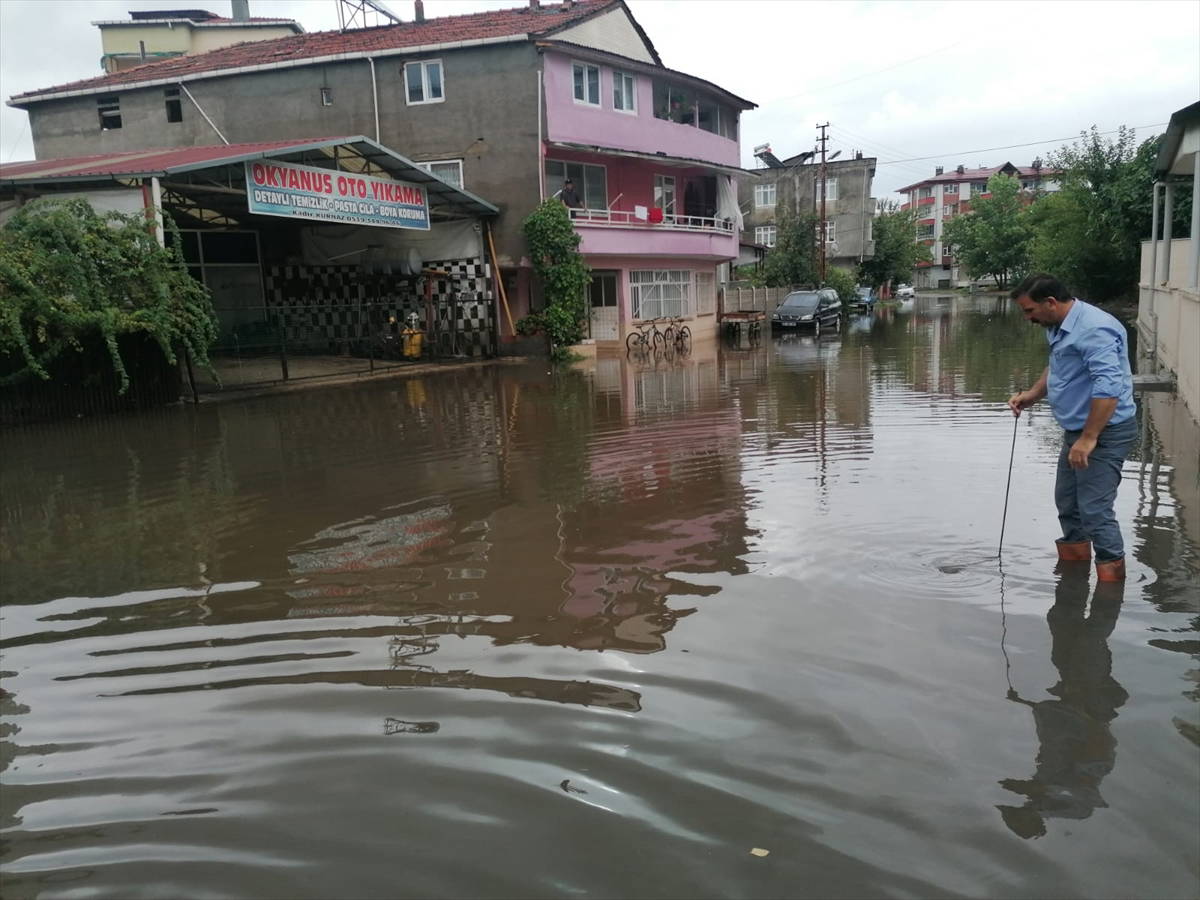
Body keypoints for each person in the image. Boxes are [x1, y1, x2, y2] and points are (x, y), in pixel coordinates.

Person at [1007, 273, 1136, 581]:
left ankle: (1110, 591)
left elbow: (1109, 387)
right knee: (1068, 504)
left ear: (1050, 303)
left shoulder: (1094, 329)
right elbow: (1060, 363)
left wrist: (1089, 438)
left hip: (1105, 432)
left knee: (1095, 510)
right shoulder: (1059, 326)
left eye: (1029, 311)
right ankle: (1072, 584)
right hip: (1078, 432)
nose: (1028, 319)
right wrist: (1033, 394)